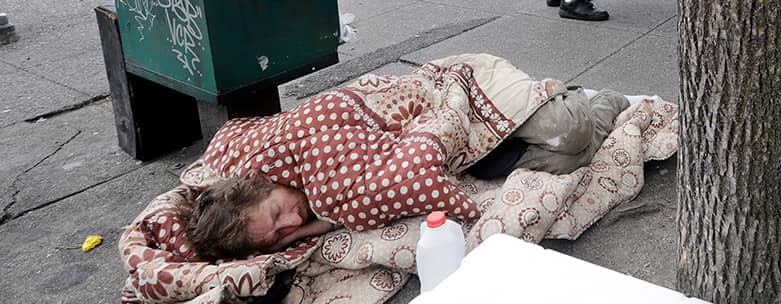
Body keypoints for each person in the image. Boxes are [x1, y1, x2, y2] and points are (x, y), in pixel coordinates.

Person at [186, 79, 629, 259]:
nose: (291, 222)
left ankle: (566, 95)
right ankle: (603, 104)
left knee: (570, 131)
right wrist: (292, 236)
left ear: (259, 184)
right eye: (279, 235)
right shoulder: (307, 205)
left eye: (276, 213)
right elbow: (334, 214)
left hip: (454, 92)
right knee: (568, 159)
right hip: (460, 152)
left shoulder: (291, 152)